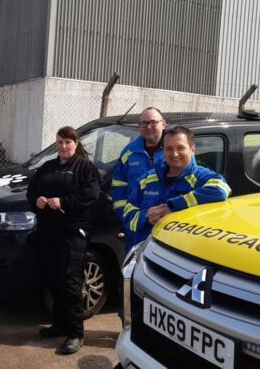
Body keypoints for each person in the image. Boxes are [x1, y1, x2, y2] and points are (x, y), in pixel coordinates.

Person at [26, 126, 100, 355]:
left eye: (67, 142)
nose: (63, 147)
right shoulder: (48, 166)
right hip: (48, 231)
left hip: (73, 231)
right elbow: (31, 190)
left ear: (76, 144)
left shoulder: (85, 167)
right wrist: (35, 200)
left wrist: (64, 202)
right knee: (54, 278)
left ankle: (76, 333)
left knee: (70, 281)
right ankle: (59, 324)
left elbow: (91, 194)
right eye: (59, 142)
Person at [124, 126, 231, 245]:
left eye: (180, 148)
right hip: (146, 252)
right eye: (169, 148)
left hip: (182, 254)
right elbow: (128, 215)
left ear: (192, 149)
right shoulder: (147, 179)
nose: (174, 154)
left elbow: (221, 190)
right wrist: (146, 218)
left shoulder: (202, 177)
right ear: (163, 150)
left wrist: (173, 206)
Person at [112, 107, 167, 253]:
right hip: (136, 226)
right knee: (133, 270)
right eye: (144, 123)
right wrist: (125, 215)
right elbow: (118, 186)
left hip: (166, 226)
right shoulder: (129, 152)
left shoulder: (174, 151)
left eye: (153, 123)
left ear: (163, 124)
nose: (148, 127)